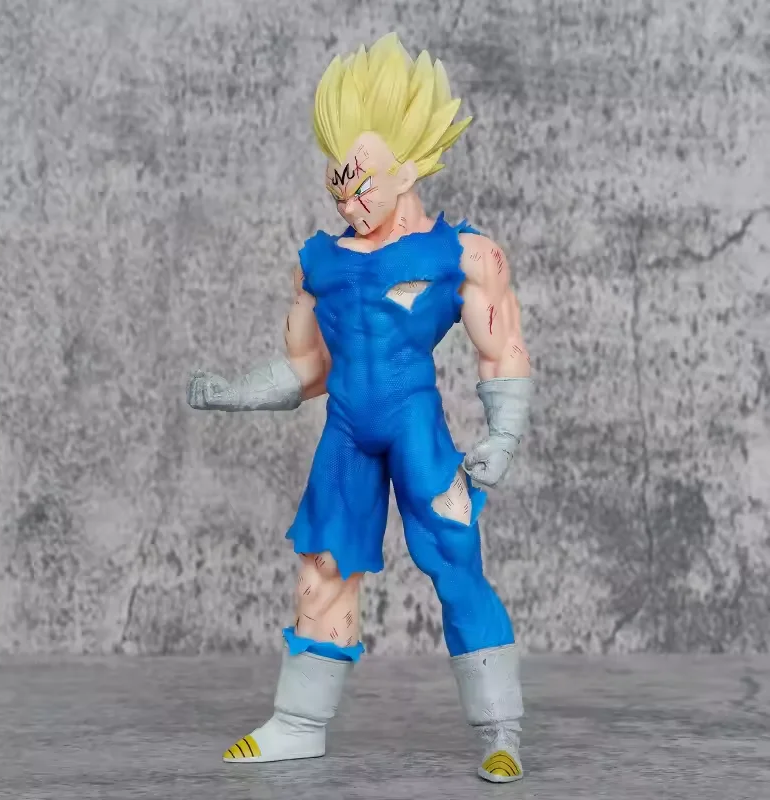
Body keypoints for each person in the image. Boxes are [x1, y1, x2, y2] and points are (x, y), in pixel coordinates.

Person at [187, 32, 534, 784]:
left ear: (405, 169)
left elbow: (501, 348)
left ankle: (500, 729)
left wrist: (504, 434)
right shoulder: (320, 263)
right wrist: (235, 392)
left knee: (455, 561)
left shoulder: (462, 254)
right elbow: (308, 367)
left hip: (415, 428)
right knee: (323, 565)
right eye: (336, 189)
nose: (348, 201)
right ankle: (298, 722)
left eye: (361, 184)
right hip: (347, 430)